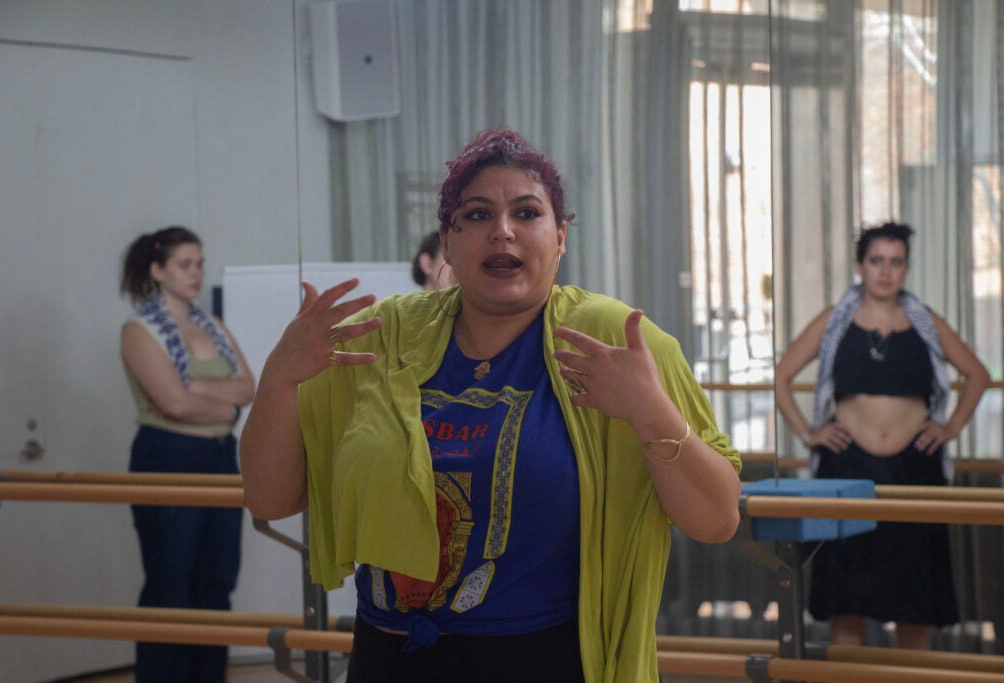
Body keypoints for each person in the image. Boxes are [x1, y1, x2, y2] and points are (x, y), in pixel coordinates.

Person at [239, 128, 741, 683]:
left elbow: (716, 519)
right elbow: (270, 497)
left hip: (538, 660)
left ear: (560, 237)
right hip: (387, 657)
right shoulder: (381, 337)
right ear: (446, 242)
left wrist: (651, 412)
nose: (502, 232)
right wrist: (279, 379)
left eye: (527, 214)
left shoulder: (616, 342)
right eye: (477, 216)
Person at [774, 221, 990, 649]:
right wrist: (809, 433)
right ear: (860, 265)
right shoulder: (835, 319)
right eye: (876, 261)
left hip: (915, 469)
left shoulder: (924, 320)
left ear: (906, 269)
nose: (885, 272)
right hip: (848, 470)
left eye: (896, 262)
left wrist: (950, 428)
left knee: (916, 598)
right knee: (846, 599)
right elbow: (781, 376)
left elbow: (978, 376)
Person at [120, 225, 256, 682]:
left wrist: (196, 388)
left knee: (217, 580)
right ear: (157, 271)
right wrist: (222, 401)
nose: (196, 273)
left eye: (199, 263)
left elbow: (248, 388)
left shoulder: (213, 326)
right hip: (168, 454)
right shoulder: (139, 331)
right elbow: (171, 404)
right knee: (170, 582)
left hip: (220, 455)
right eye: (185, 264)